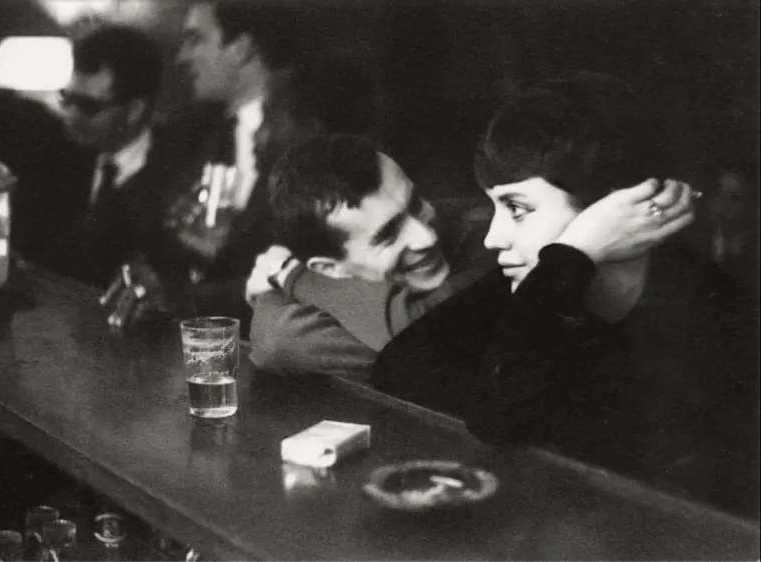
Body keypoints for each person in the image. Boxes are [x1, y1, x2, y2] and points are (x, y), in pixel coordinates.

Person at [373, 72, 759, 518]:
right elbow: (398, 372)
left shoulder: (717, 311)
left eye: (517, 209)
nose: (493, 237)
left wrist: (571, 255)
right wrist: (572, 257)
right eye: (495, 207)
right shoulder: (537, 282)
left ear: (616, 209)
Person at [103, 0, 302, 334]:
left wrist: (183, 298)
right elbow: (139, 226)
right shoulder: (193, 133)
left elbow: (303, 279)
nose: (182, 57)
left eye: (195, 40)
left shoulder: (311, 138)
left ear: (242, 48)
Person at [246, 134, 498, 380]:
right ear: (329, 269)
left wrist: (291, 276)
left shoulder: (491, 233)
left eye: (415, 204)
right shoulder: (319, 284)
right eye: (388, 235)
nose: (426, 237)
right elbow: (277, 339)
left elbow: (424, 336)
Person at [22, 24, 167, 288]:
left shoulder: (175, 167)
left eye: (89, 106)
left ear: (135, 110)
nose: (72, 116)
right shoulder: (50, 154)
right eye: (67, 98)